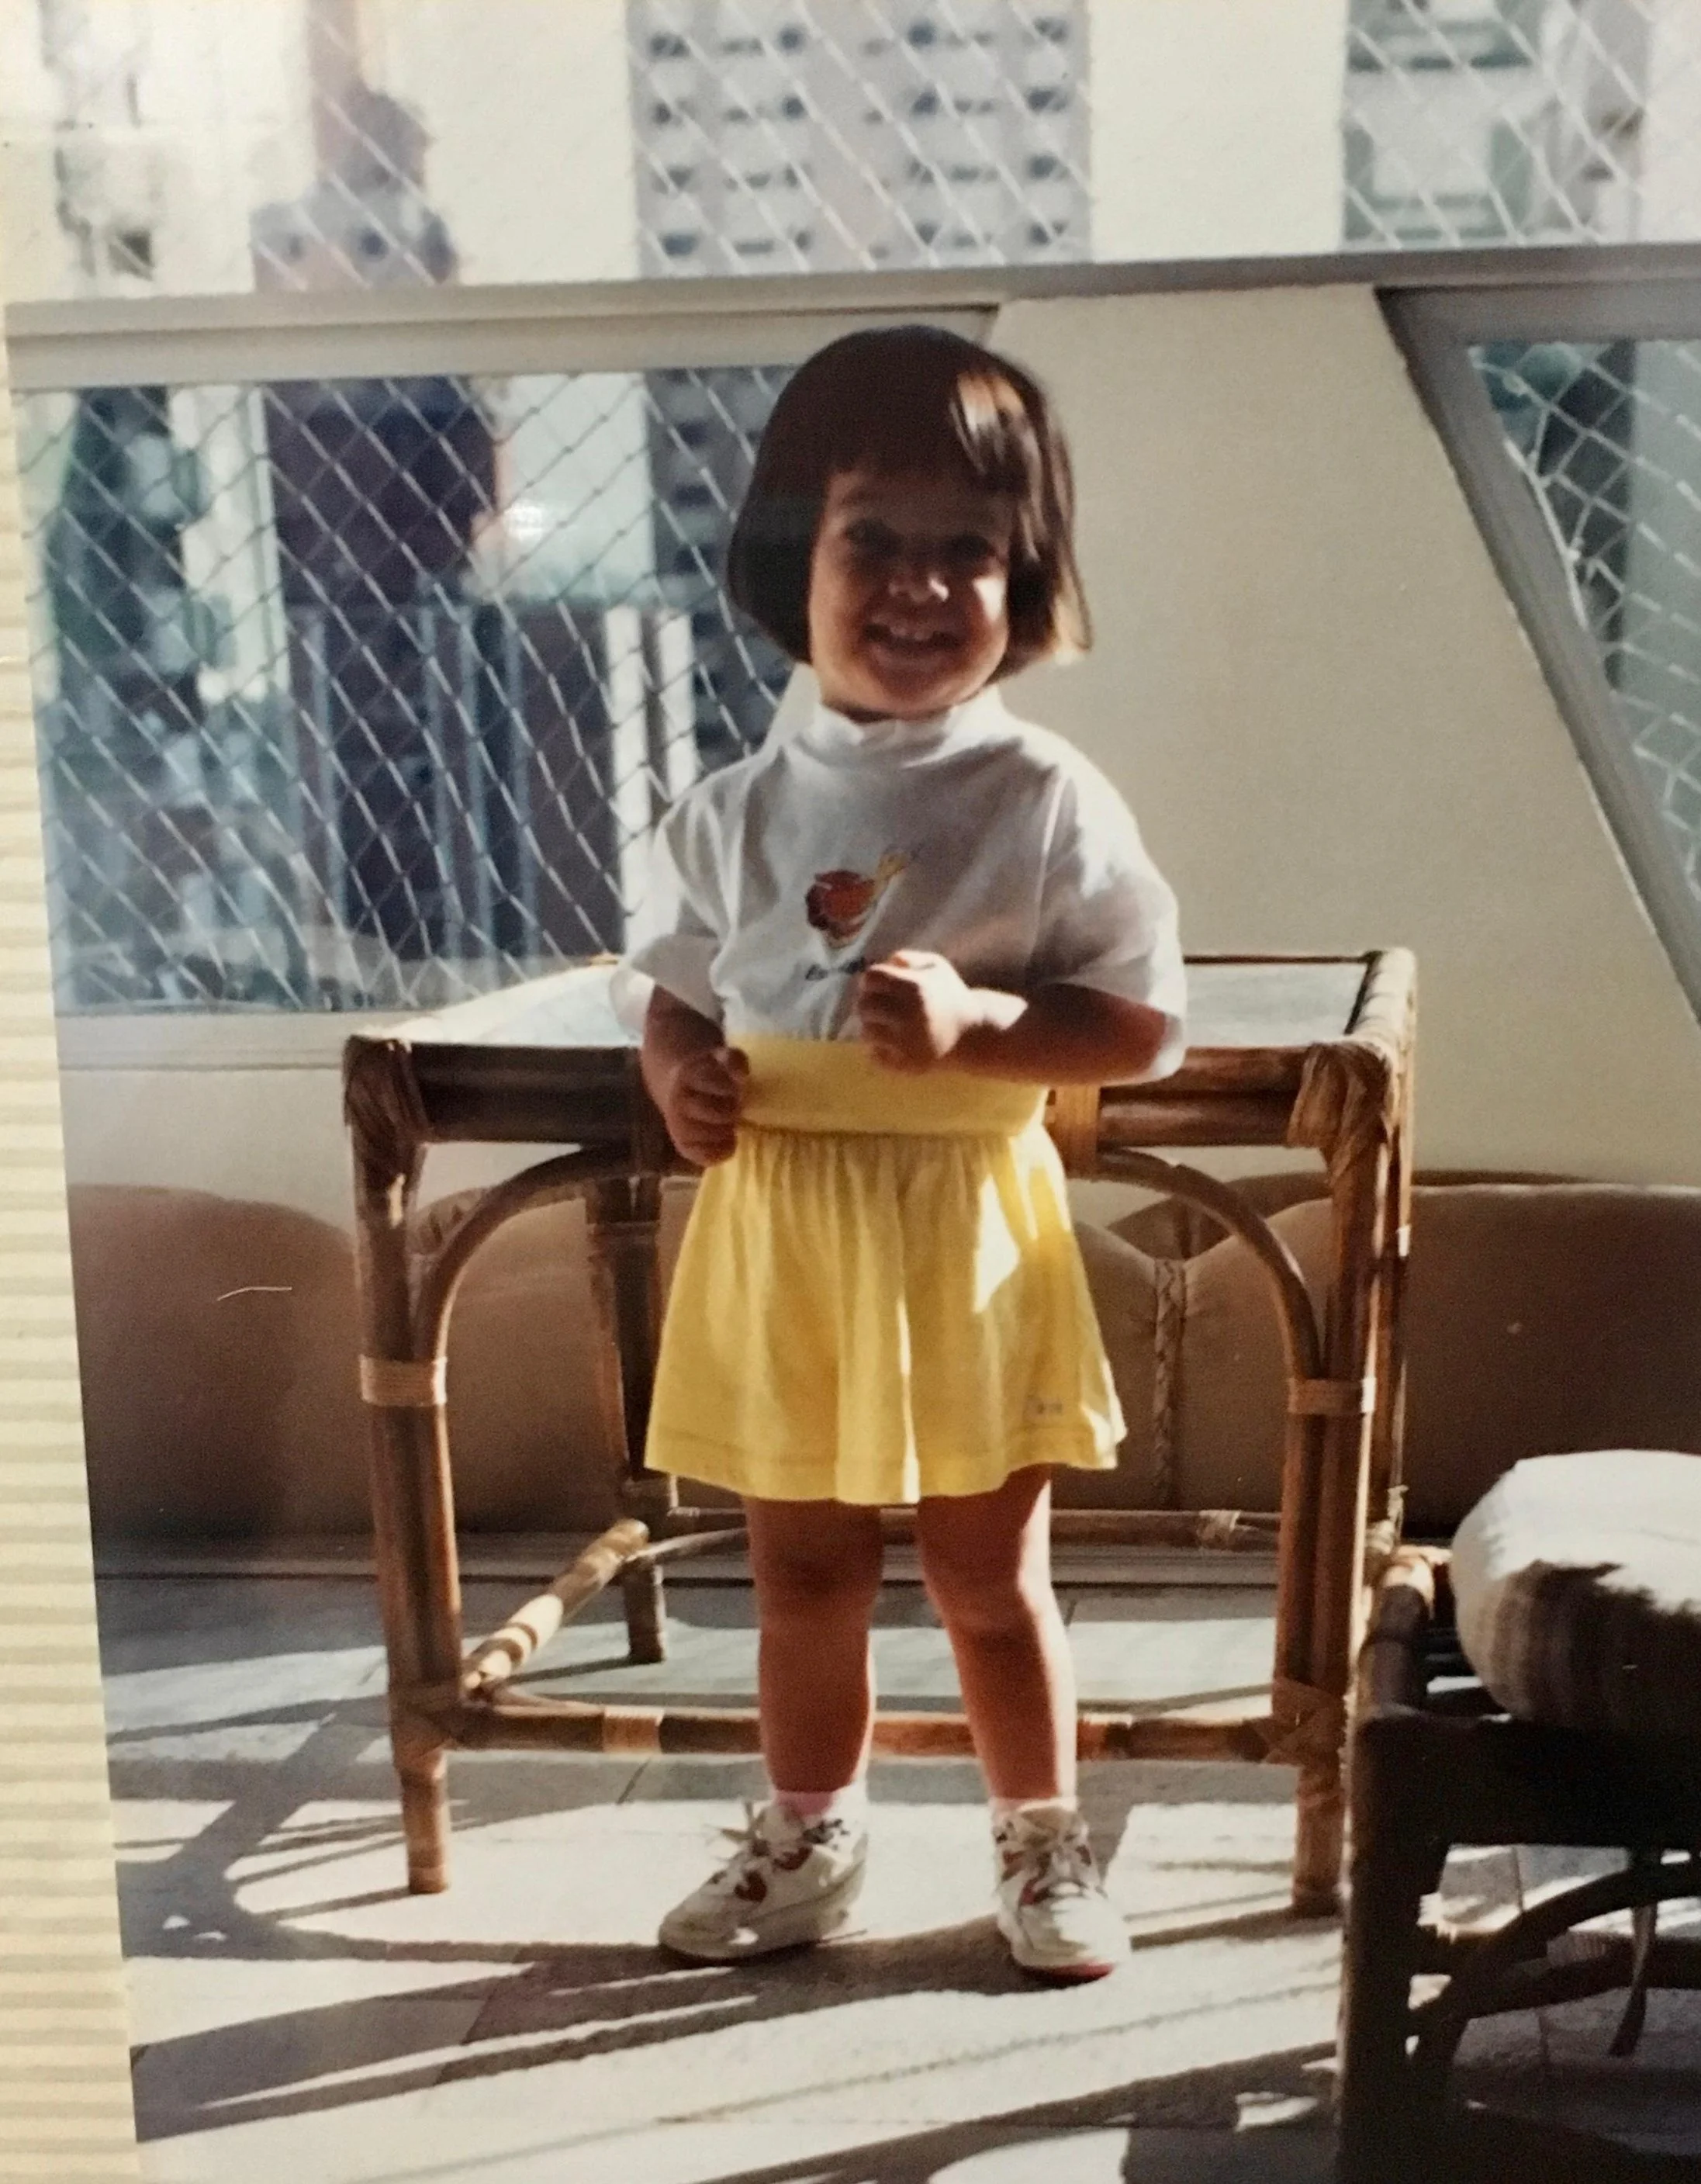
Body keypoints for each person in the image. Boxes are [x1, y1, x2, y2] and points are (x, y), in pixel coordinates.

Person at [619, 324, 1186, 1982]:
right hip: (783, 1225)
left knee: (983, 1573)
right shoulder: (727, 807)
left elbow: (1141, 1025)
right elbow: (668, 993)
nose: (922, 587)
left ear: (1025, 582)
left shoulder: (1043, 796)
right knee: (799, 1570)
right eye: (877, 539)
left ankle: (1039, 1837)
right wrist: (681, 1082)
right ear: (800, 556)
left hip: (959, 1225)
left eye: (971, 551)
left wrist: (986, 1032)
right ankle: (808, 1834)